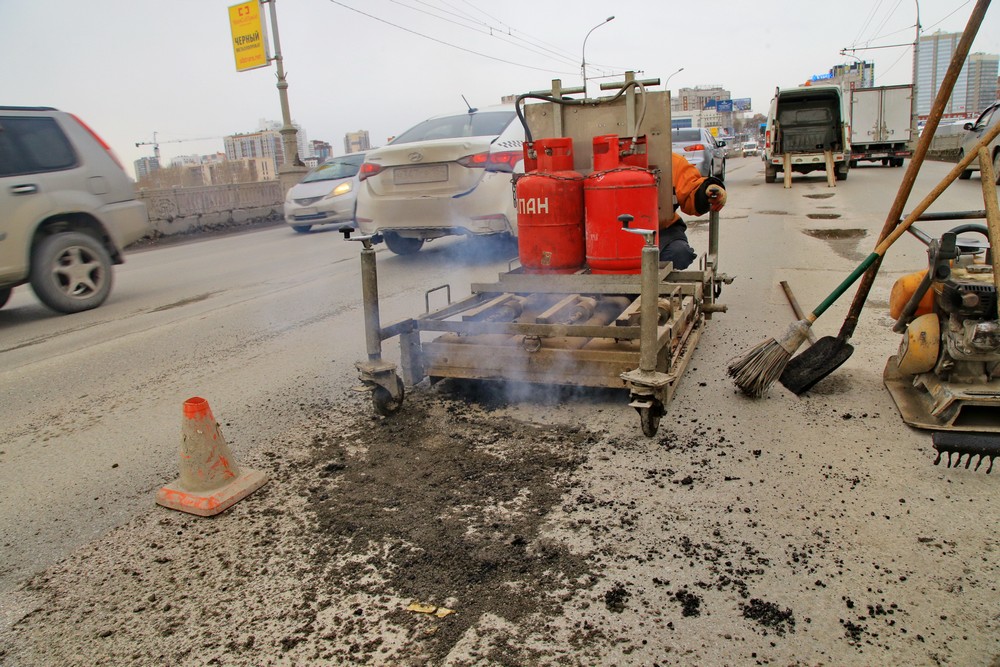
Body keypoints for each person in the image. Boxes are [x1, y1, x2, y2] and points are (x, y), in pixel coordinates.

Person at [660, 153, 727, 269]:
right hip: (624, 235)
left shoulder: (670, 162)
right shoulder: (621, 163)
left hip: (662, 231)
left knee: (679, 253)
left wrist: (707, 190)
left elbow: (691, 190)